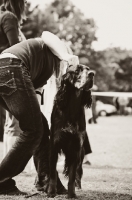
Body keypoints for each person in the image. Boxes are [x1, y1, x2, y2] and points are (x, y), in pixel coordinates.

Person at [0, 31, 79, 195]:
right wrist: (66, 54)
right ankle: (2, 180)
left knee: (39, 128)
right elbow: (46, 34)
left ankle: (48, 180)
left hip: (7, 70)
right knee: (34, 130)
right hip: (11, 66)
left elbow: (32, 101)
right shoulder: (48, 46)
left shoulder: (45, 71)